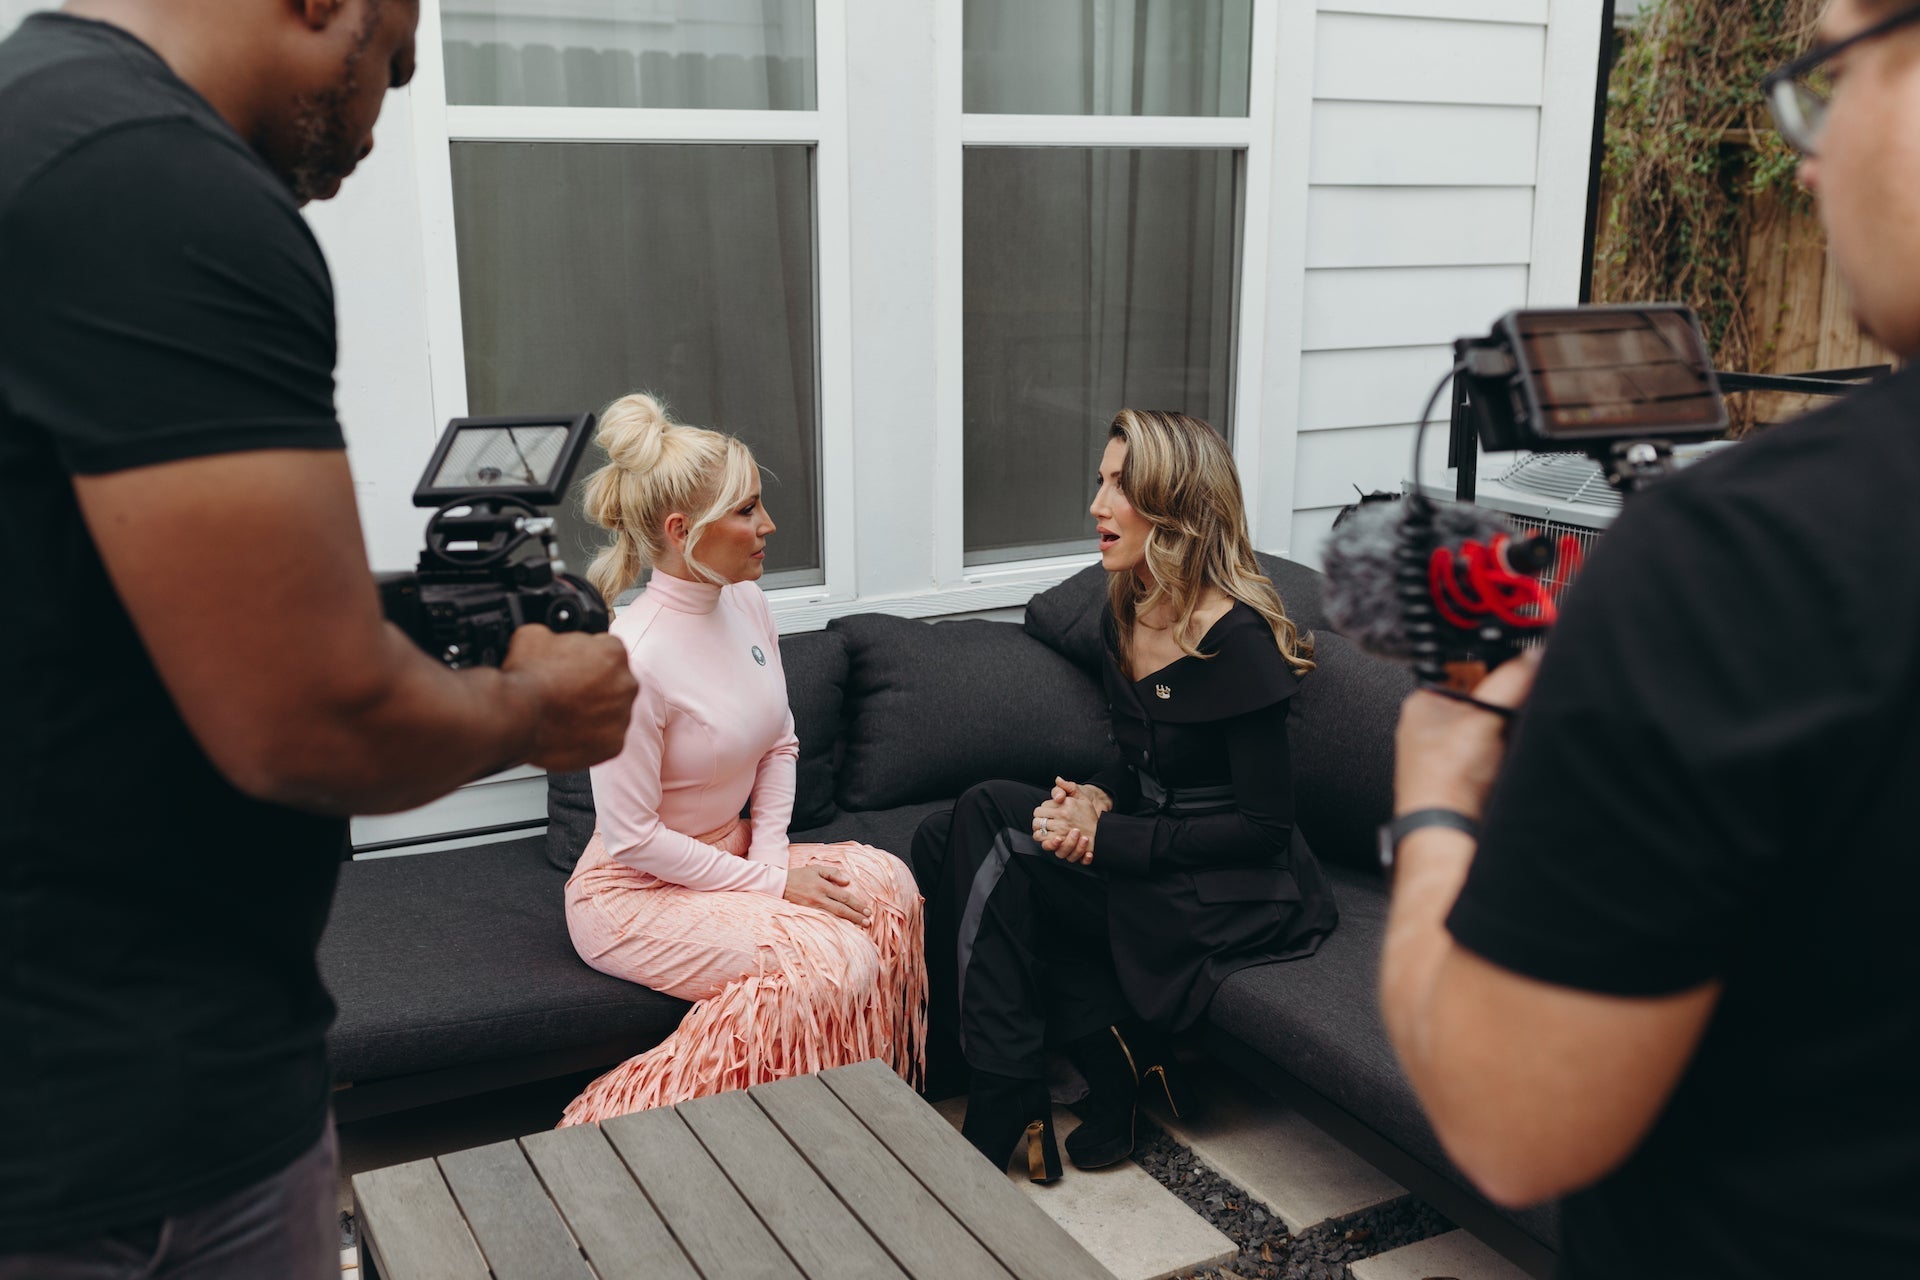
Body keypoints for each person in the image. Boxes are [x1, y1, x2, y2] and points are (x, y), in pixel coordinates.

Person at [0, 3, 638, 1276]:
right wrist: (532, 712)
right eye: (390, 62)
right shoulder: (160, 181)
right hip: (132, 1134)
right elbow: (311, 714)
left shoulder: (35, 115)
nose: (380, 117)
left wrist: (387, 612)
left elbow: (103, 608)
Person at [1379, 0, 1920, 1273]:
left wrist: (1438, 800)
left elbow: (1509, 1121)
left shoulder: (1745, 561)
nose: (1806, 154)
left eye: (1830, 79)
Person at [913, 409, 1338, 1181]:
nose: (1097, 505)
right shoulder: (1128, 608)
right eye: (1101, 481)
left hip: (1231, 889)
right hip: (1156, 846)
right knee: (947, 838)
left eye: (1121, 487)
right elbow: (1143, 755)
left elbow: (1263, 829)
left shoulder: (1235, 641)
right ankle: (1111, 1062)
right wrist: (1101, 798)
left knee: (987, 824)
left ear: (1176, 507)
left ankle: (1002, 1085)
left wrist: (1108, 838)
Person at [556, 394, 926, 1125]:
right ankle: (609, 1129)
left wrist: (772, 862)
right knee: (833, 963)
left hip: (730, 856)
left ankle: (855, 1122)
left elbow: (781, 741)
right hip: (634, 894)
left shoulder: (746, 601)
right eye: (748, 510)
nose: (769, 526)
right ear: (681, 530)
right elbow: (631, 837)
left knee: (891, 890)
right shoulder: (631, 659)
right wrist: (768, 881)